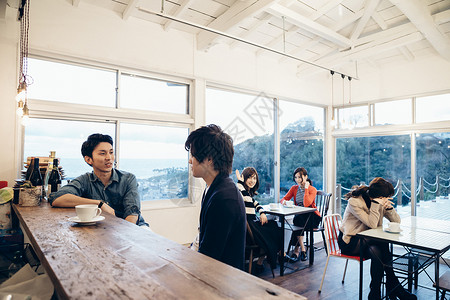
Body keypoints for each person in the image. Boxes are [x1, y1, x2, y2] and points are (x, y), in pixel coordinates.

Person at [339, 177, 417, 300]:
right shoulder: (355, 202)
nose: (387, 199)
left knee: (376, 252)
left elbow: (397, 221)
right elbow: (372, 224)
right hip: (351, 242)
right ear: (379, 197)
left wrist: (389, 208)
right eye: (386, 197)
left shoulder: (379, 202)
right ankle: (394, 287)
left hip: (370, 242)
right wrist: (376, 205)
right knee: (382, 243)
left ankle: (374, 293)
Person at [49, 133, 148, 227]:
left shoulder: (128, 179)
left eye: (111, 152)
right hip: (104, 230)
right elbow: (57, 198)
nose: (109, 158)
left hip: (134, 228)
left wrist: (123, 237)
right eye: (102, 153)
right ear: (88, 160)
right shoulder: (84, 180)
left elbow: (132, 214)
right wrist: (99, 203)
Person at [185, 124, 246, 270]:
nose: (190, 161)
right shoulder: (212, 189)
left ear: (209, 159)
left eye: (193, 155)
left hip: (221, 283)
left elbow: (208, 258)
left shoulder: (225, 199)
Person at [236, 167, 281, 274]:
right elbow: (244, 195)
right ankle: (277, 255)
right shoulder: (240, 190)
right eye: (249, 178)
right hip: (248, 229)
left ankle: (262, 262)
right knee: (273, 231)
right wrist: (239, 181)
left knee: (273, 226)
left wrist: (262, 212)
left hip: (252, 226)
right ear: (244, 179)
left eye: (254, 178)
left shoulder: (247, 193)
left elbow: (256, 204)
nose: (252, 181)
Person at [280, 167, 321, 261]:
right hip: (300, 217)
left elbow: (307, 204)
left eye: (300, 177)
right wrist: (284, 202)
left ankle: (297, 250)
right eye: (296, 177)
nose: (297, 180)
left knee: (297, 221)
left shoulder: (312, 189)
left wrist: (306, 188)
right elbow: (283, 199)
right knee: (298, 220)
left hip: (313, 217)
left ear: (305, 177)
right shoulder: (294, 188)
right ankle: (302, 249)